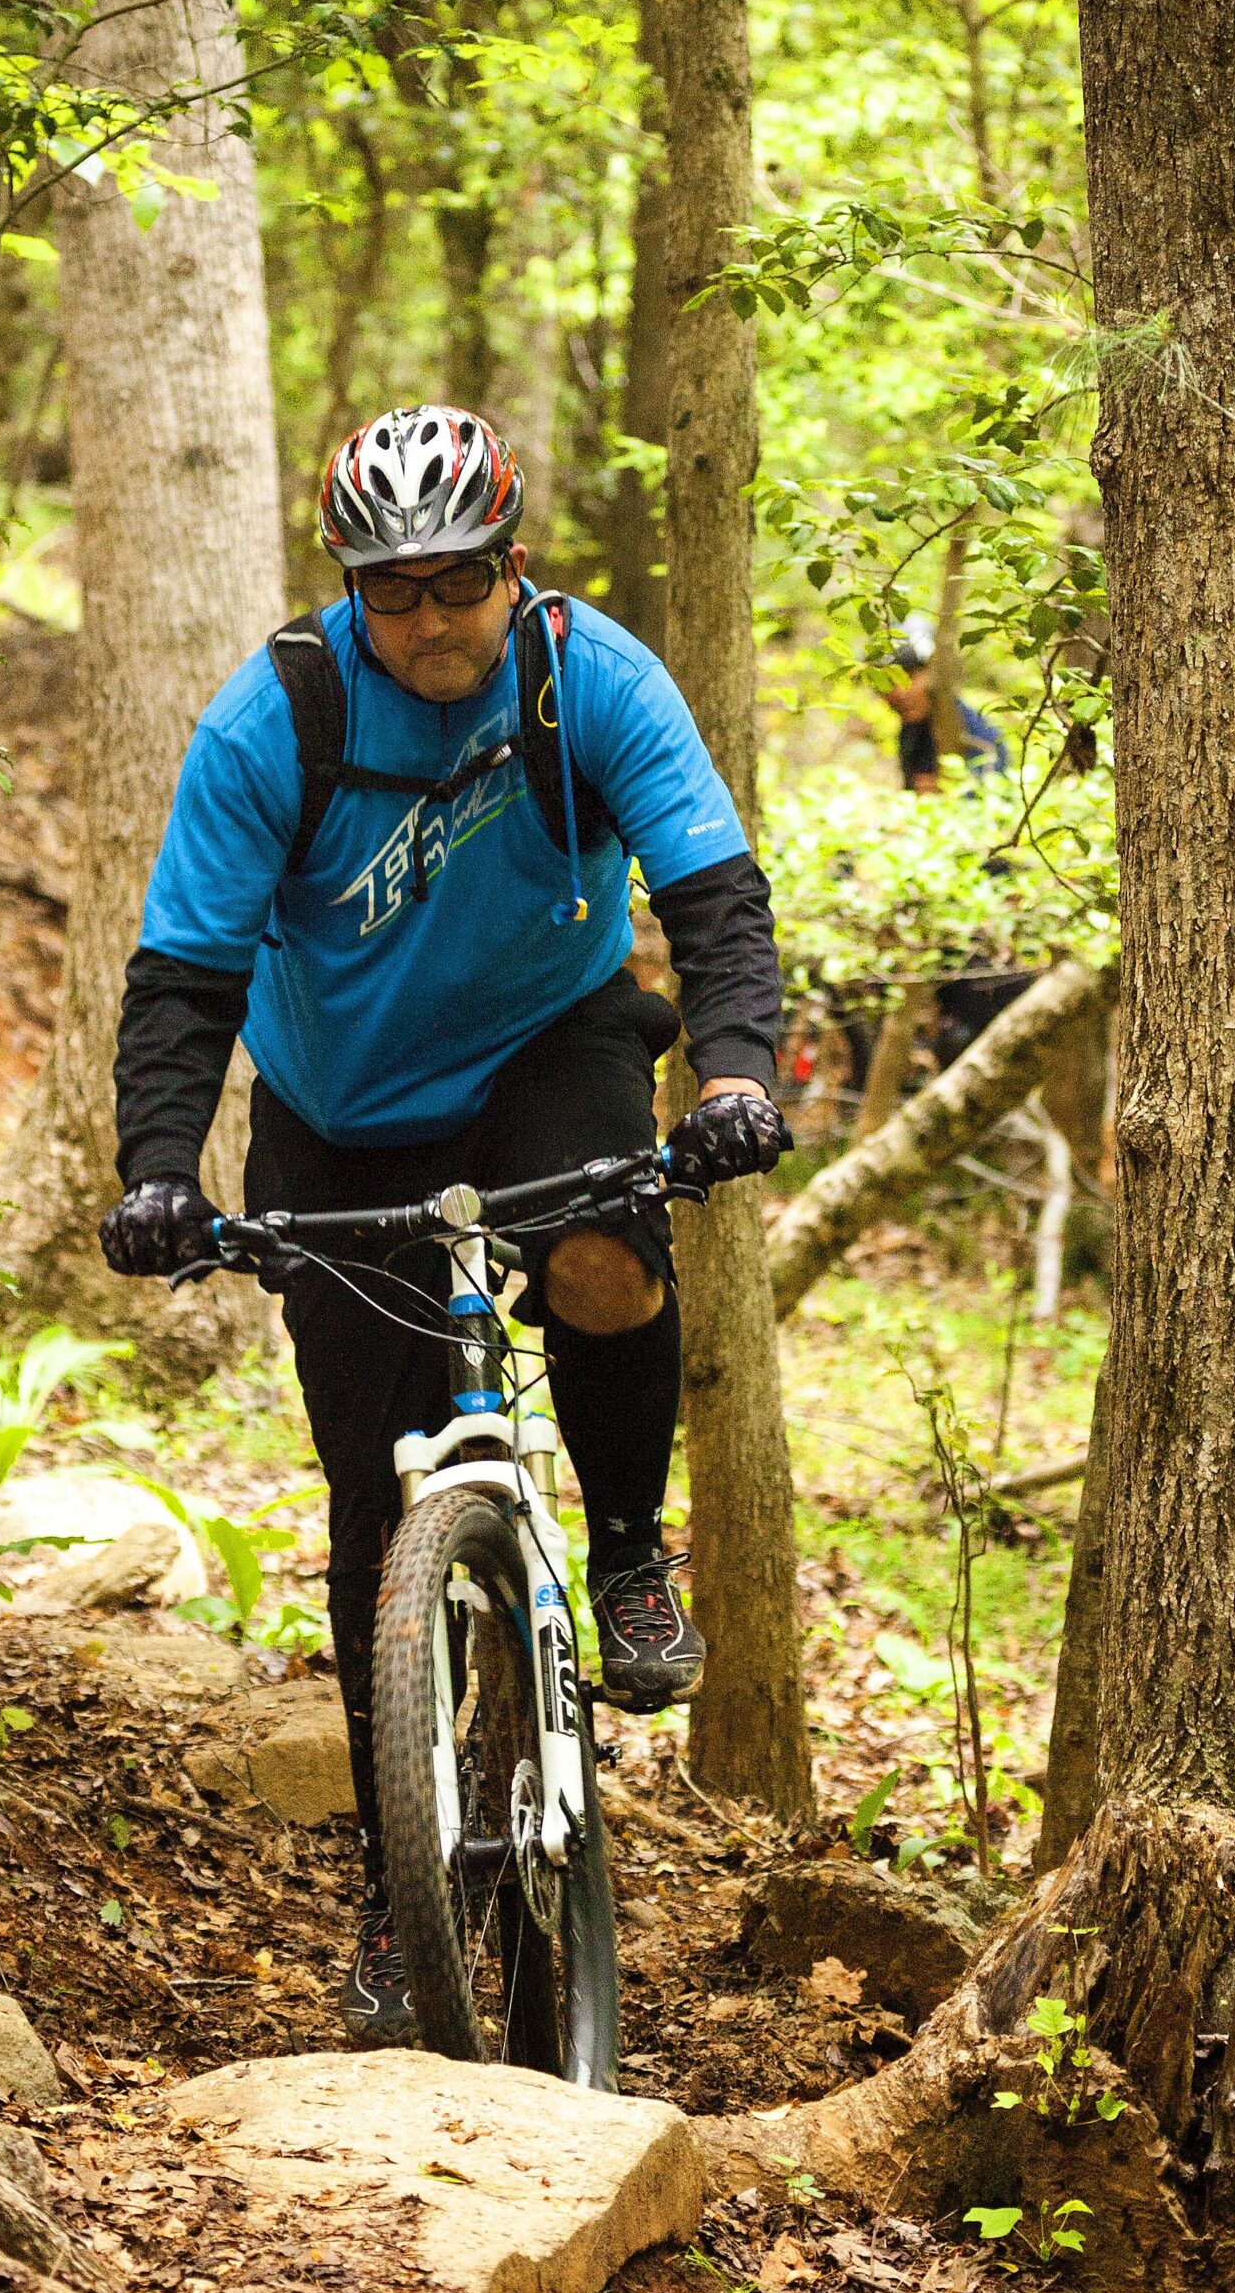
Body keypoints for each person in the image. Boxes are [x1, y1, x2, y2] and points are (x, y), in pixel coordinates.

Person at [99, 403, 789, 2045]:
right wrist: (155, 1169)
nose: (425, 620)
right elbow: (185, 975)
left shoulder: (588, 677)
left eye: (455, 582)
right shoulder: (277, 715)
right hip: (337, 1116)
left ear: (512, 563)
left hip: (546, 1051)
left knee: (608, 1245)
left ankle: (623, 1556)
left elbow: (711, 899)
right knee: (368, 1499)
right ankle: (400, 1889)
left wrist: (737, 1075)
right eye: (388, 590)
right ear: (350, 589)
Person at [886, 612, 1008, 794]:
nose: (899, 692)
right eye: (888, 682)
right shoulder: (911, 730)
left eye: (910, 676)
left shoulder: (981, 738)